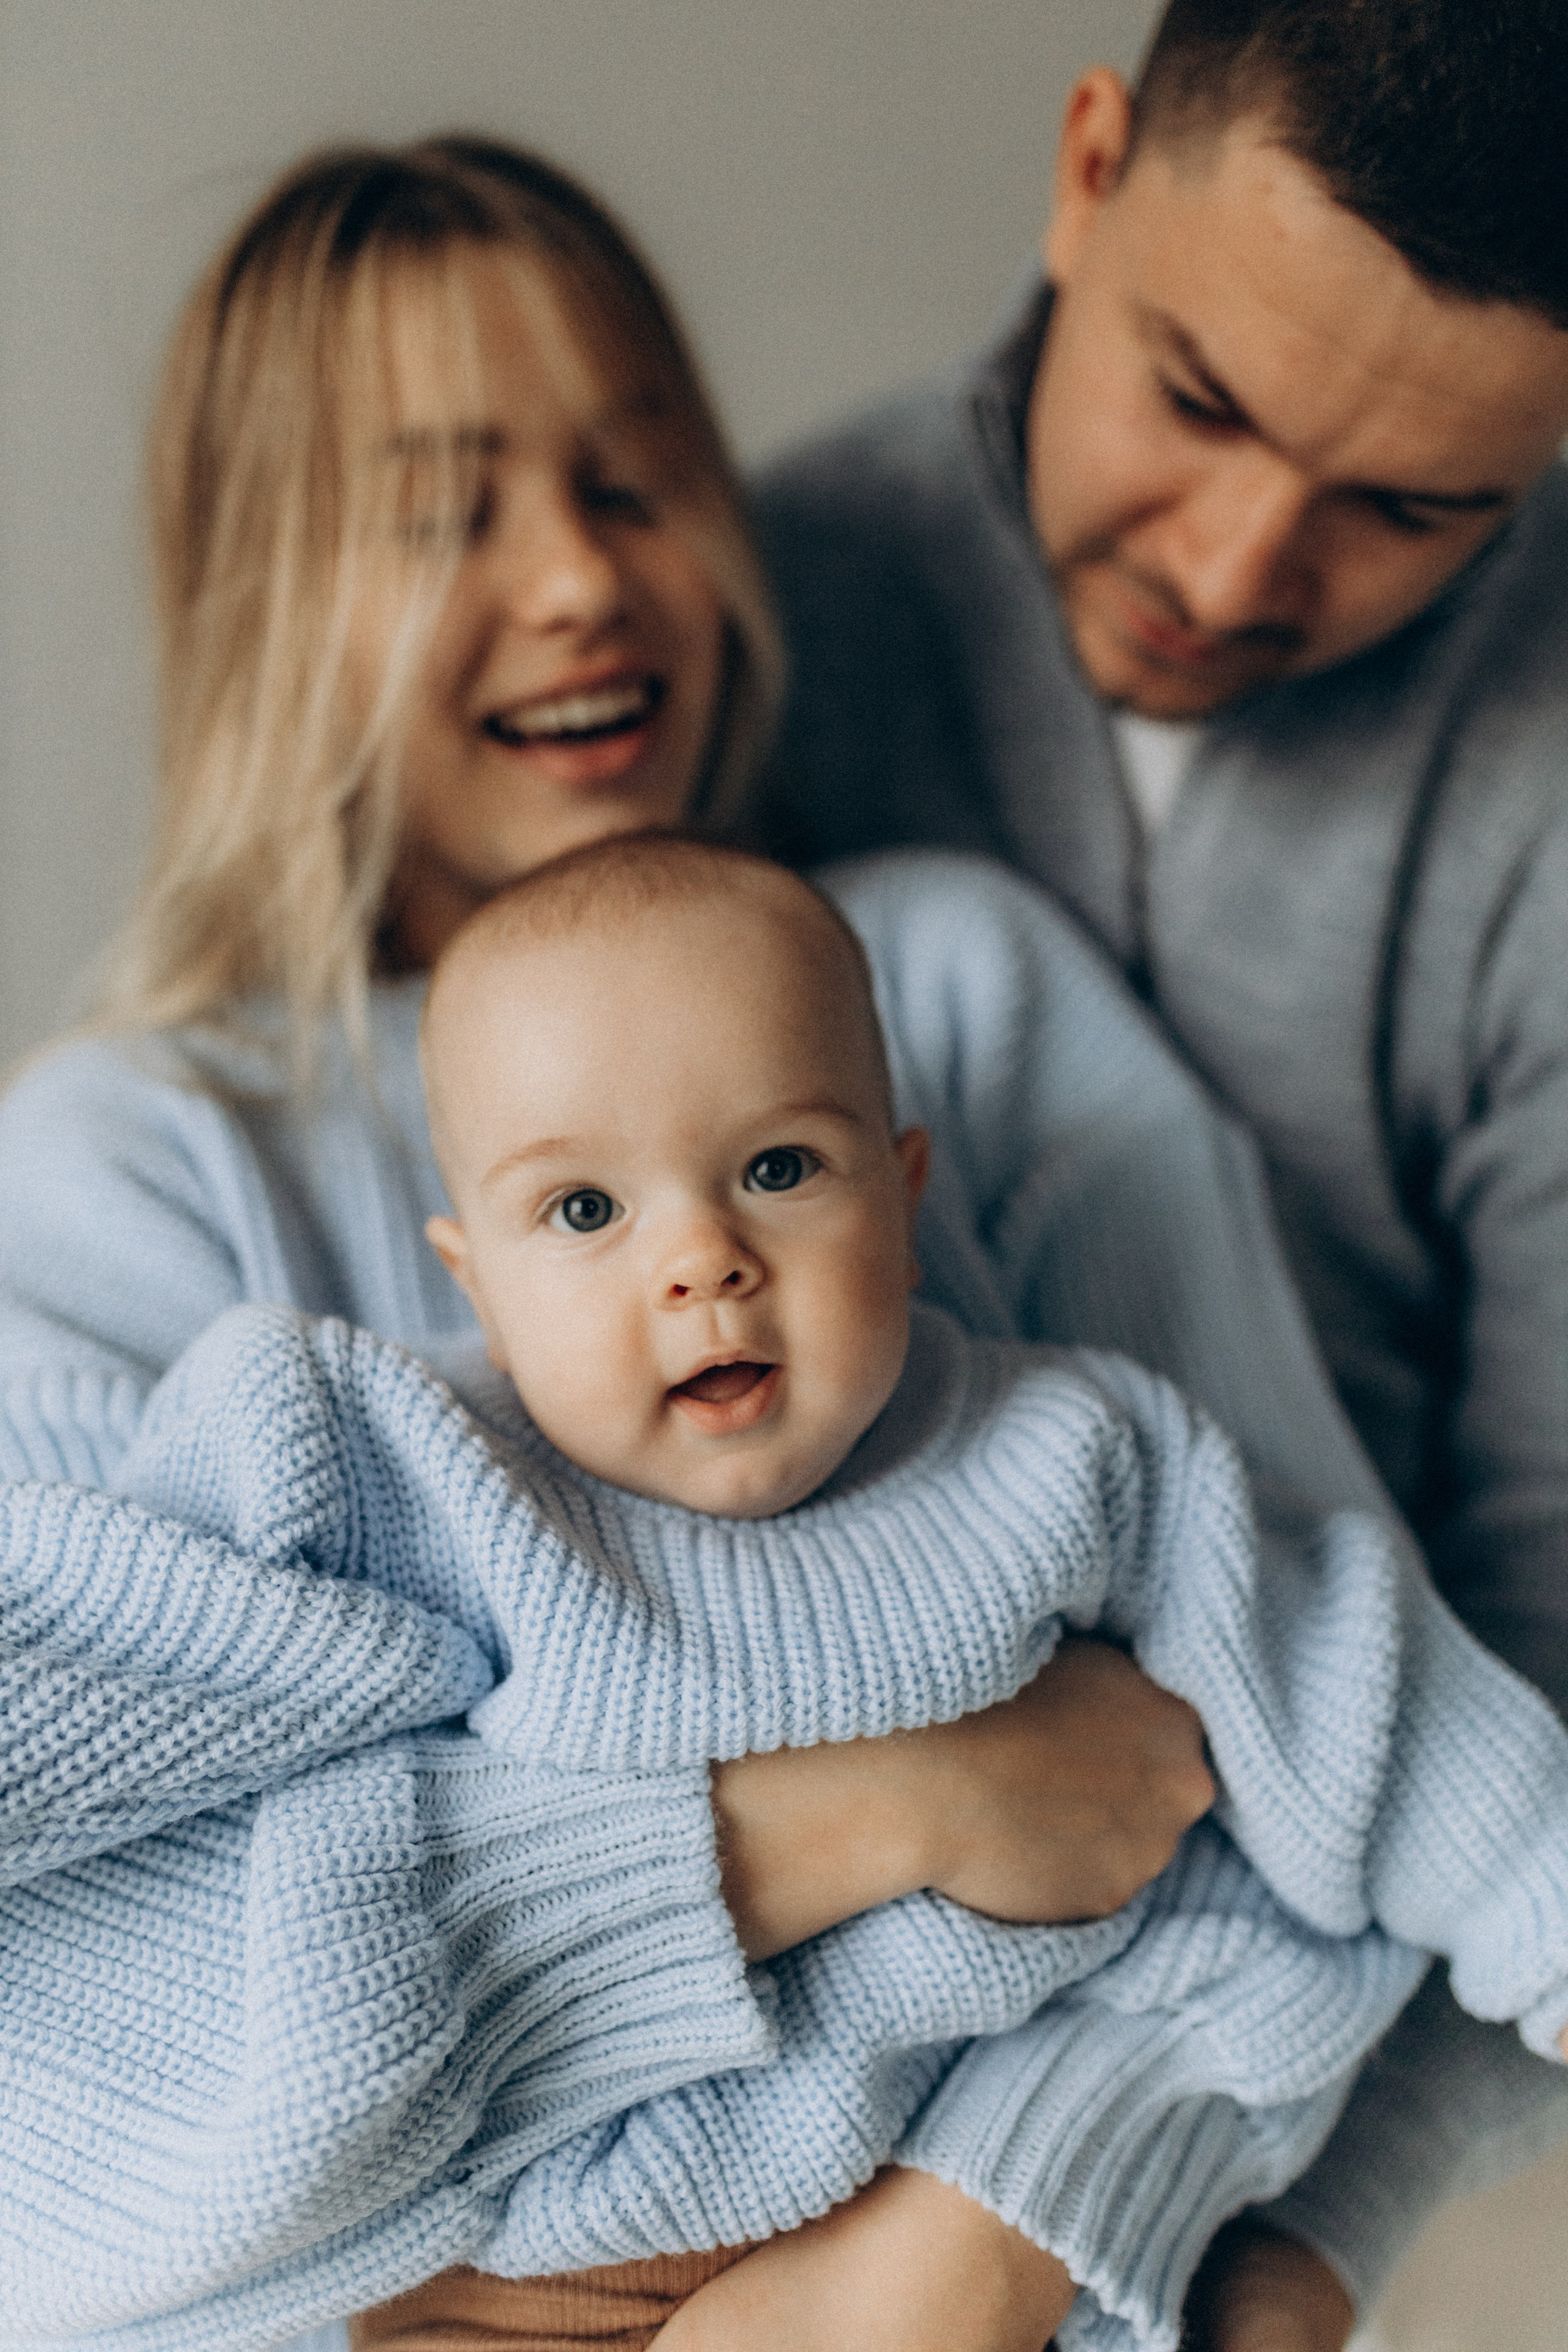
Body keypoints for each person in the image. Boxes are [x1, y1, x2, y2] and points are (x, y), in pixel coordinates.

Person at [0, 133, 1292, 2352]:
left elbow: (1296, 1722)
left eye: (633, 477)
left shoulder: (961, 999)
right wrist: (874, 1807)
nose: (584, 582)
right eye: (442, 513)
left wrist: (980, 2239)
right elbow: (69, 2008)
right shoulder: (118, 1172)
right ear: (265, 601)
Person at [82, 831, 1568, 2352]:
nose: (701, 1262)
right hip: (500, 2272)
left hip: (974, 2226)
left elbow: (1368, 1705)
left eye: (778, 1169)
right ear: (472, 1285)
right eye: (585, 1212)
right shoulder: (409, 1477)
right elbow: (142, 1747)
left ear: (904, 1197)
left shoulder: (1073, 1456)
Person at [751, 2, 1568, 2343]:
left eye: (1415, 506)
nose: (1233, 566)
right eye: (1199, 400)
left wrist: (1309, 2247)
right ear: (1088, 164)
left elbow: (1553, 1605)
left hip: (1368, 1985)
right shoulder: (745, 613)